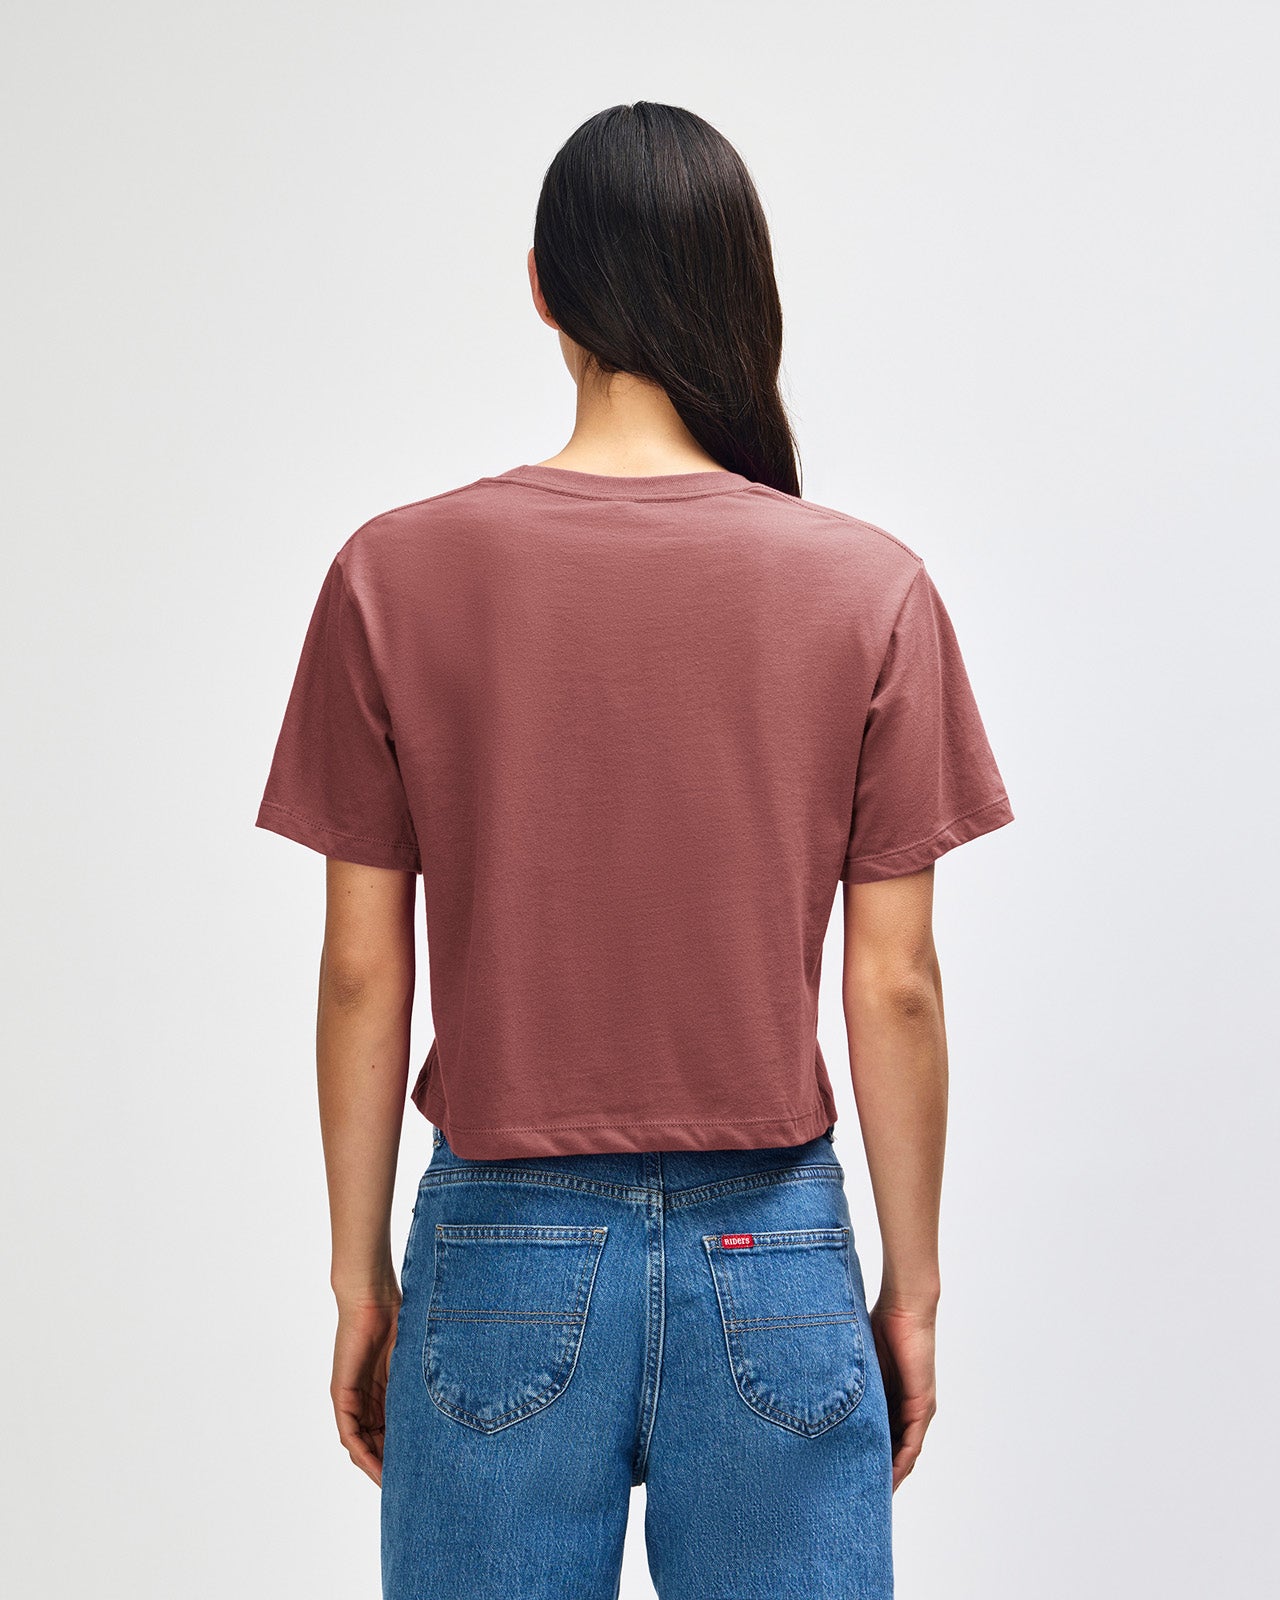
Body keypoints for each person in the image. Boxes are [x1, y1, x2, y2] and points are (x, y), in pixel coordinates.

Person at [254, 101, 1014, 1600]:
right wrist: (910, 1292)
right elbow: (899, 984)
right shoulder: (868, 587)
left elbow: (360, 970)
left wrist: (361, 1277)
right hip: (775, 1253)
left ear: (542, 286)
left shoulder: (393, 572)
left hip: (496, 1256)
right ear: (741, 283)